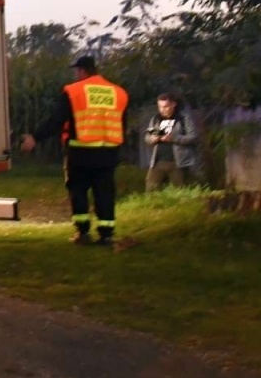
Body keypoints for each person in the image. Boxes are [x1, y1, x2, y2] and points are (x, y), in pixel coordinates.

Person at [21, 55, 130, 246]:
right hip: (109, 153)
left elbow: (57, 120)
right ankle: (106, 235)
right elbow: (122, 124)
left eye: (76, 71)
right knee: (104, 193)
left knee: (78, 191)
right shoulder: (118, 92)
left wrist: (35, 137)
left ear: (81, 71)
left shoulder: (74, 92)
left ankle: (83, 233)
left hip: (82, 153)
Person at [143, 94, 198, 190]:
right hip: (158, 161)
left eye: (165, 106)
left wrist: (174, 138)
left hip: (178, 162)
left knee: (179, 190)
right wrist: (153, 139)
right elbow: (147, 137)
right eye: (160, 107)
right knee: (151, 188)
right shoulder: (156, 119)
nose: (162, 110)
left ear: (173, 104)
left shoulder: (183, 118)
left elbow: (193, 137)